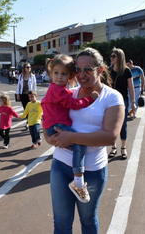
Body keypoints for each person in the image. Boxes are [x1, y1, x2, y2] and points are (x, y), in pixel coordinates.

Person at [44, 47, 124, 233]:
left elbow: (110, 136)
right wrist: (47, 136)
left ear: (100, 70)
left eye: (88, 69)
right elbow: (49, 114)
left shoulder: (112, 97)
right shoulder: (68, 92)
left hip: (92, 170)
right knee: (61, 222)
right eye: (77, 69)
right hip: (61, 166)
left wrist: (71, 137)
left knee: (87, 220)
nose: (82, 74)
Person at [41, 55, 99, 203]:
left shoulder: (58, 89)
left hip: (54, 125)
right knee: (79, 145)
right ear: (51, 73)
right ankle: (78, 182)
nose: (59, 77)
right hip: (58, 126)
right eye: (56, 73)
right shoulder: (57, 90)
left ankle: (76, 178)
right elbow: (73, 104)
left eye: (64, 74)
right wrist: (90, 98)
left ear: (70, 76)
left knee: (76, 146)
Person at [108, 47, 136, 160]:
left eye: (114, 56)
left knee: (123, 125)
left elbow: (131, 87)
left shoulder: (126, 71)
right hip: (110, 101)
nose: (111, 58)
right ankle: (113, 147)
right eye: (111, 56)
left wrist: (133, 102)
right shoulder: (109, 70)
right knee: (111, 125)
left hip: (122, 101)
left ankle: (123, 148)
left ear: (120, 57)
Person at [16, 63, 37, 130]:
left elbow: (34, 86)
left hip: (30, 95)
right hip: (23, 95)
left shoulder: (32, 76)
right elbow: (18, 86)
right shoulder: (20, 76)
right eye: (27, 67)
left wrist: (34, 95)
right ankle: (29, 122)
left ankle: (28, 123)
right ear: (24, 68)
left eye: (30, 67)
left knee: (29, 109)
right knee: (26, 109)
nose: (29, 68)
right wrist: (18, 94)